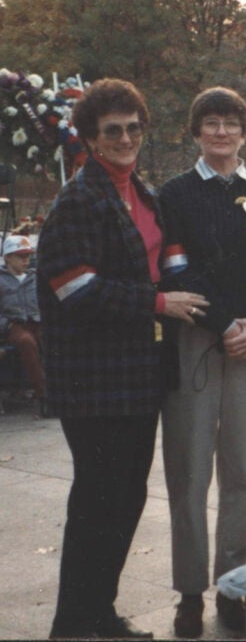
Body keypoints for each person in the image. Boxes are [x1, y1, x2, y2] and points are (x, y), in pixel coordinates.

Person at [37, 79, 209, 640]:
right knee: (97, 499)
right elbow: (77, 291)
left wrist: (240, 301)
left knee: (125, 498)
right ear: (89, 138)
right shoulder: (78, 201)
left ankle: (98, 614)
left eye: (134, 127)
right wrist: (159, 302)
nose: (126, 138)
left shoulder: (148, 196)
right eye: (113, 130)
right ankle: (73, 623)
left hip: (139, 376)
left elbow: (176, 267)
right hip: (91, 379)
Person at [159, 87, 246, 638]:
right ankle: (190, 592)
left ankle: (232, 583)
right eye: (210, 123)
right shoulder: (175, 194)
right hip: (197, 341)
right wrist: (222, 325)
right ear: (196, 132)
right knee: (190, 471)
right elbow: (175, 268)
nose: (221, 132)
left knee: (239, 471)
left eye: (230, 123)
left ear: (244, 132)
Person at [0, 234, 46, 416]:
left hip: (37, 321)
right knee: (26, 343)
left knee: (51, 341)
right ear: (8, 257)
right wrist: (6, 325)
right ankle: (43, 394)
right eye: (20, 256)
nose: (26, 260)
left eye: (27, 256)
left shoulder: (35, 278)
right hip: (14, 324)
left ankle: (61, 390)